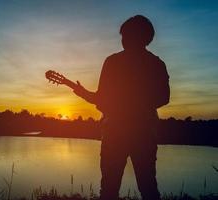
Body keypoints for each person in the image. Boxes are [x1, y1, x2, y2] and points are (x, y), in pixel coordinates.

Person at [73, 15, 170, 200]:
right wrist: (83, 92)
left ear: (141, 37)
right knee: (148, 188)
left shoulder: (113, 62)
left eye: (126, 35)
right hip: (143, 133)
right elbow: (164, 98)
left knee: (110, 190)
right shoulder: (157, 64)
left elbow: (101, 100)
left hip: (117, 133)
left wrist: (85, 94)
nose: (123, 40)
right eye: (123, 35)